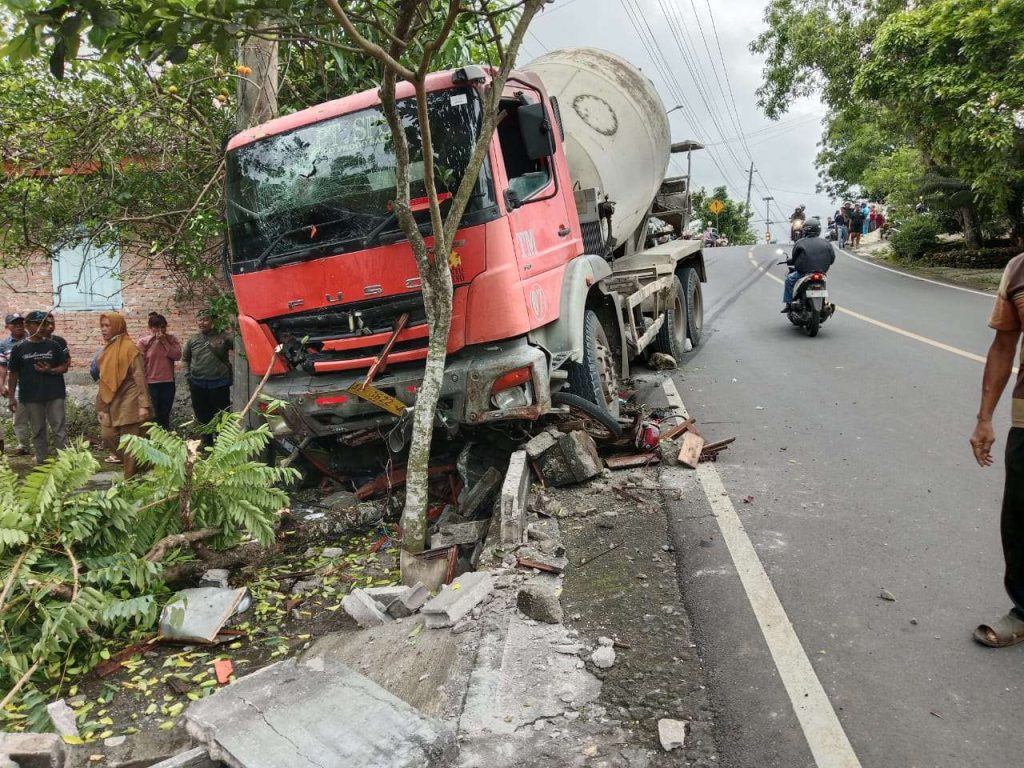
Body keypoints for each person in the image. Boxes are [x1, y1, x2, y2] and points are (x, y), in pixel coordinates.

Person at [970, 251, 1024, 646]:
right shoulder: (1018, 269)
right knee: (1019, 519)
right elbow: (1004, 345)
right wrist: (985, 418)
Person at [7, 311, 70, 464]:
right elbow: (13, 374)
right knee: (38, 430)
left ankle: (65, 463)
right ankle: (42, 463)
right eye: (38, 323)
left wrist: (51, 370)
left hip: (55, 394)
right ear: (27, 325)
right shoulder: (19, 348)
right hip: (31, 396)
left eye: (44, 323)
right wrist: (11, 398)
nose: (42, 327)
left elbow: (64, 366)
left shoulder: (53, 345)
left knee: (59, 429)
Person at [95, 313, 151, 479]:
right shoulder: (107, 350)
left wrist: (144, 405)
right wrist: (102, 408)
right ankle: (146, 464)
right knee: (108, 437)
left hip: (131, 401)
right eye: (102, 326)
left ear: (118, 326)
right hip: (111, 402)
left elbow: (140, 378)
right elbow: (103, 381)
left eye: (108, 326)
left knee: (130, 443)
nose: (104, 329)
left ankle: (129, 481)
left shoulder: (130, 349)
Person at [183, 310, 233, 445]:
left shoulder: (224, 337)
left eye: (205, 320)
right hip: (198, 384)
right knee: (201, 414)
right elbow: (186, 359)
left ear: (213, 321)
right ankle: (207, 441)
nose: (201, 323)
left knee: (222, 414)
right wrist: (188, 375)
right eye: (199, 320)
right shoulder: (192, 340)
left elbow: (239, 347)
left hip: (220, 383)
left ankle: (223, 441)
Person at [138, 313, 182, 430]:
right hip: (151, 383)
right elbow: (139, 363)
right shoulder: (144, 342)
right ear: (150, 328)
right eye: (156, 327)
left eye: (162, 327)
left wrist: (164, 342)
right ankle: (153, 440)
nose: (160, 330)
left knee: (165, 414)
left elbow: (177, 356)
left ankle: (165, 438)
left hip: (168, 382)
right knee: (153, 415)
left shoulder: (172, 339)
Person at [781, 218, 835, 311]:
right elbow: (832, 259)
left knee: (789, 280)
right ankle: (825, 303)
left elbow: (794, 258)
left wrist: (790, 261)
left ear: (805, 229)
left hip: (804, 273)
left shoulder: (800, 242)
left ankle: (788, 304)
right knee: (823, 283)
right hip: (821, 272)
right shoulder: (827, 243)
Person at [0, 313, 31, 455]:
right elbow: (3, 367)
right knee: (19, 417)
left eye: (21, 322)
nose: (19, 325)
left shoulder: (33, 338)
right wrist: (1, 385)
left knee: (41, 417)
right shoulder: (4, 345)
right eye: (14, 323)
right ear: (7, 327)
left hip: (37, 384)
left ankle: (41, 446)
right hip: (17, 386)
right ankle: (24, 445)